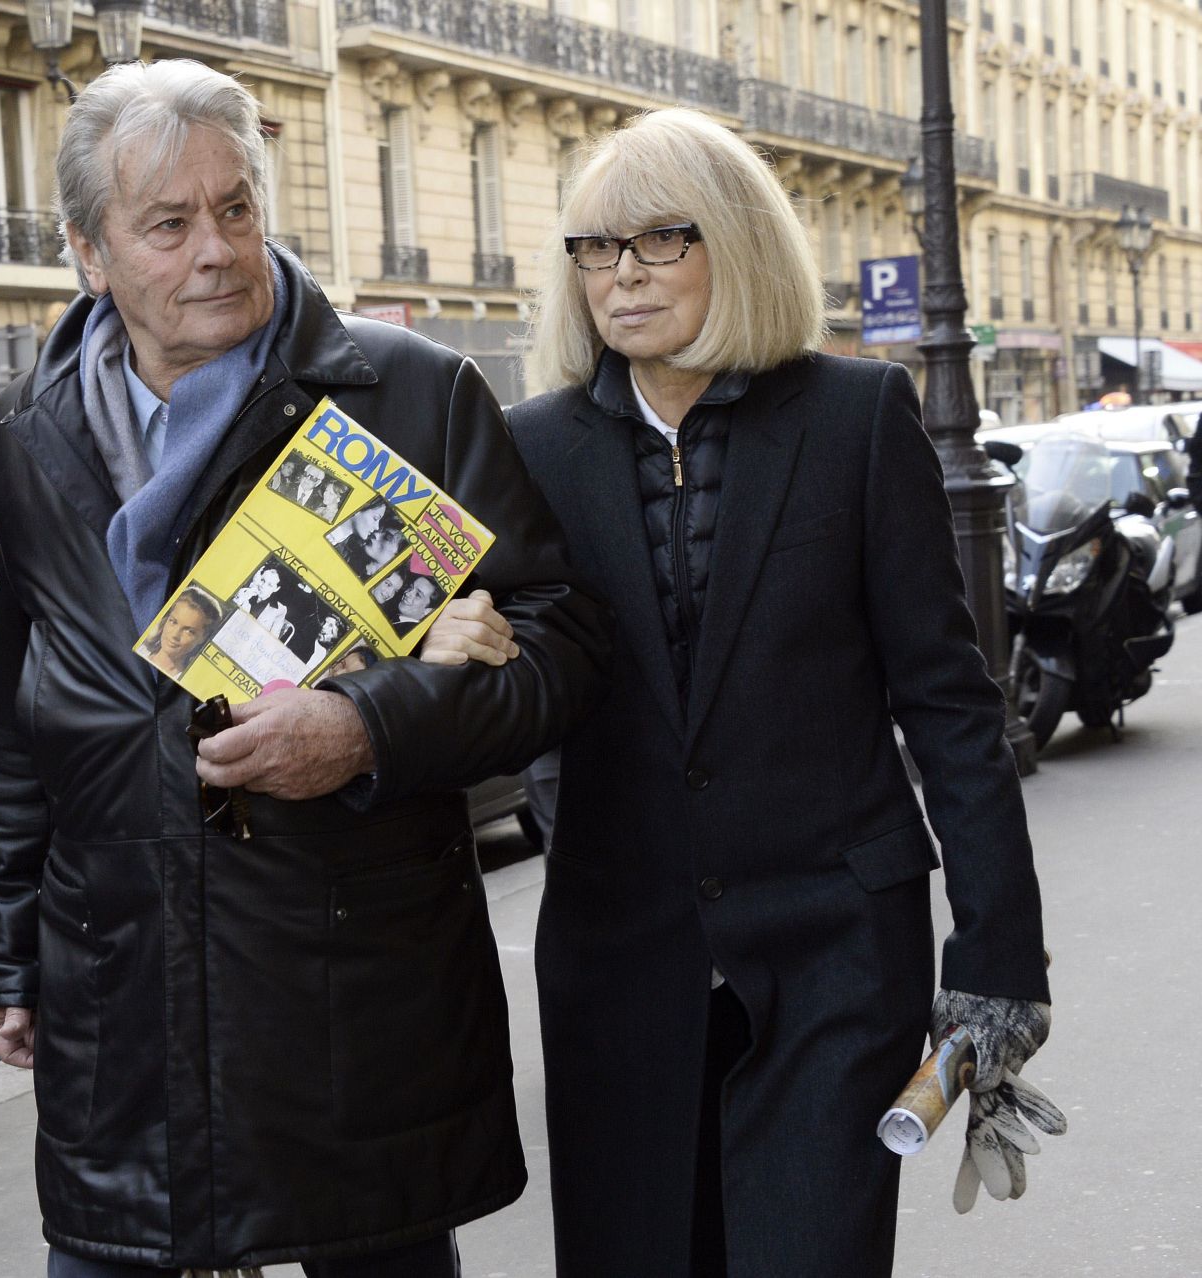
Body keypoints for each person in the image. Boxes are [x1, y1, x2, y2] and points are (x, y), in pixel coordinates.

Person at [0, 58, 611, 1277]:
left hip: (346, 989)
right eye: (167, 223)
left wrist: (371, 726)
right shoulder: (26, 429)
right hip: (123, 988)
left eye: (236, 209)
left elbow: (564, 641)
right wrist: (7, 945)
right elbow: (25, 700)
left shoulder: (406, 391)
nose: (215, 249)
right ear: (89, 254)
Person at [423, 108, 1060, 1276]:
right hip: (620, 957)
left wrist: (998, 961)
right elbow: (518, 710)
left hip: (836, 954)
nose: (622, 275)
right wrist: (456, 663)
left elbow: (951, 708)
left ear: (737, 243)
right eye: (595, 248)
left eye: (662, 241)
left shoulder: (857, 419)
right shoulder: (529, 449)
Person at [140, 585, 223, 676]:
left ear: (203, 637)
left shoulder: (187, 680)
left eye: (189, 631)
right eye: (173, 622)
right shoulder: (139, 650)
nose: (175, 635)